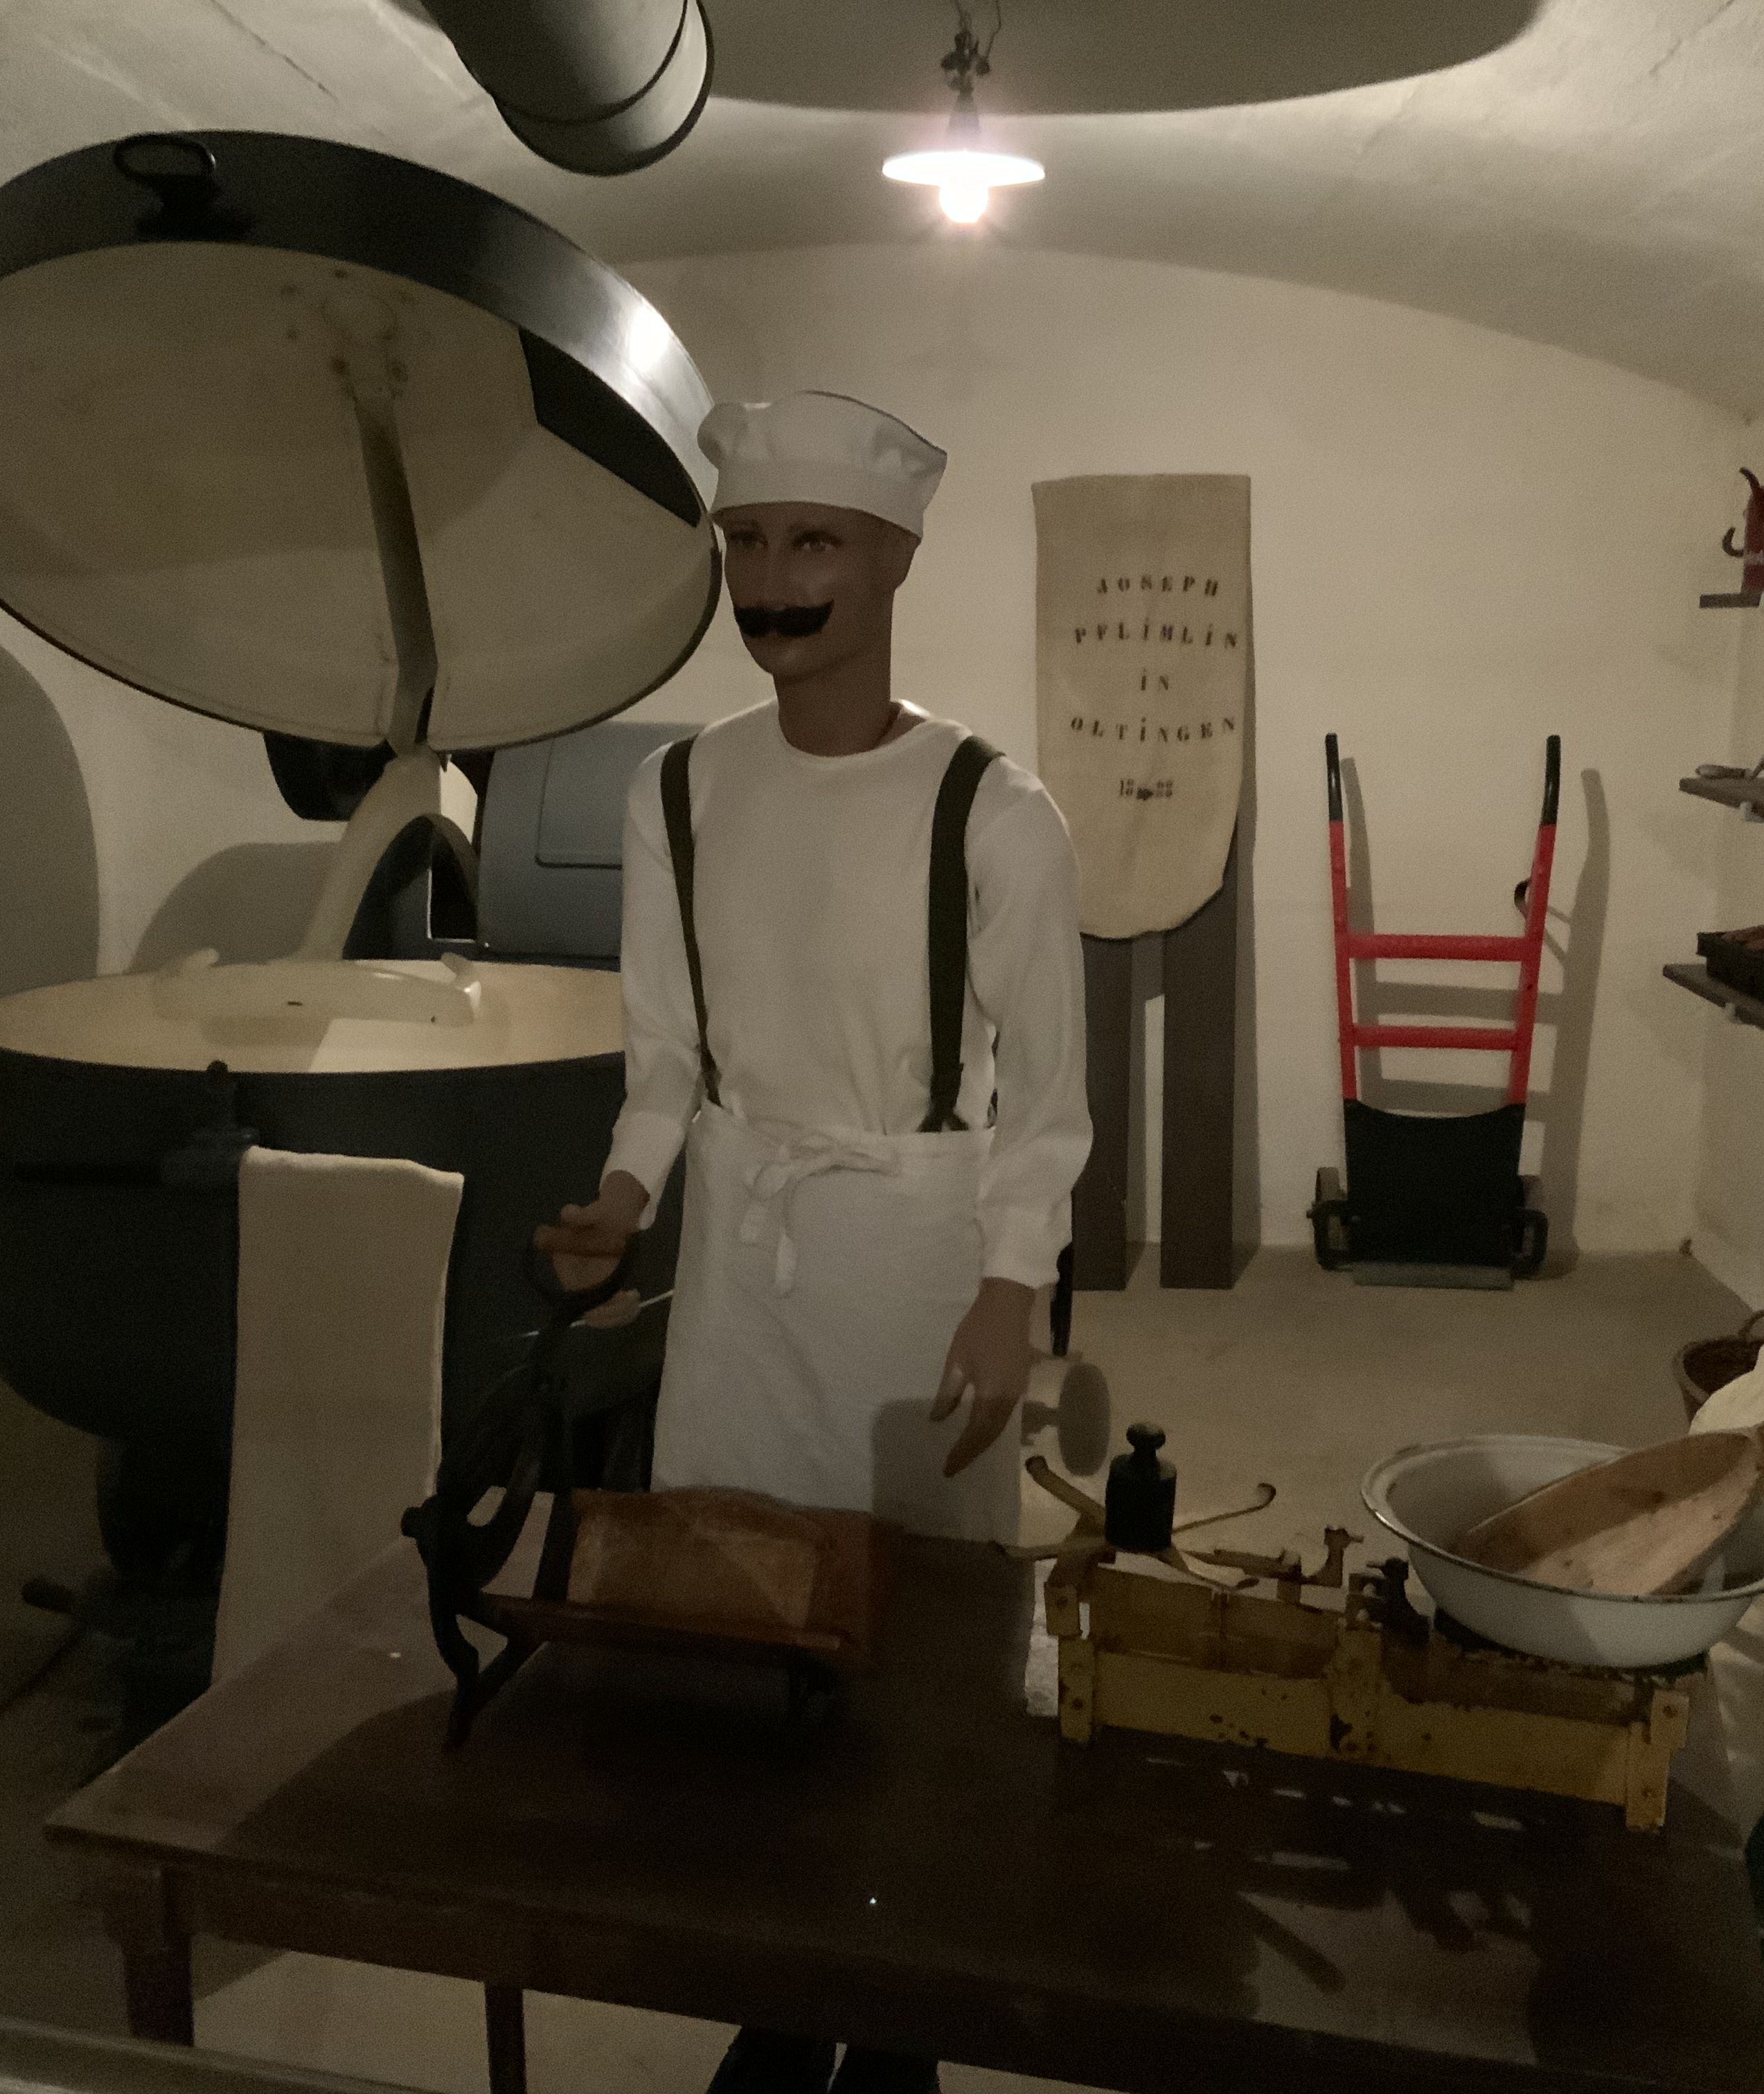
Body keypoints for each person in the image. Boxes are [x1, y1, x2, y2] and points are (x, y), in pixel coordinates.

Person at [536, 390, 1089, 2094]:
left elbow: (1046, 1100)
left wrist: (1011, 1287)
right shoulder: (682, 789)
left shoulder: (995, 810)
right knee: (739, 1612)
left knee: (913, 1630)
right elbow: (664, 1056)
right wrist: (629, 1198)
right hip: (741, 1258)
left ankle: (901, 2013)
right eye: (750, 542)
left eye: (815, 543)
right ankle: (777, 1999)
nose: (774, 580)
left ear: (896, 559)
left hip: (913, 1251)